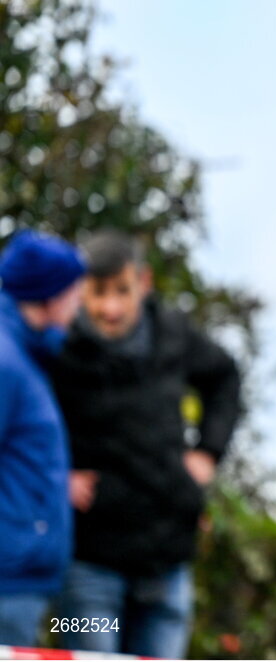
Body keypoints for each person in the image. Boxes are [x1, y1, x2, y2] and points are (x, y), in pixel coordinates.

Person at [47, 230, 241, 658]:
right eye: (97, 293)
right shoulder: (57, 346)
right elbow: (21, 419)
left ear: (144, 283)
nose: (110, 308)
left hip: (168, 560)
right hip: (88, 566)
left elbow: (226, 377)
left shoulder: (173, 333)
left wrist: (208, 452)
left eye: (122, 291)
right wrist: (52, 476)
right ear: (79, 290)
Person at [0, 230, 86, 647]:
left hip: (24, 582)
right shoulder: (6, 361)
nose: (79, 304)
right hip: (7, 582)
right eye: (74, 292)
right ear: (51, 295)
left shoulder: (28, 359)